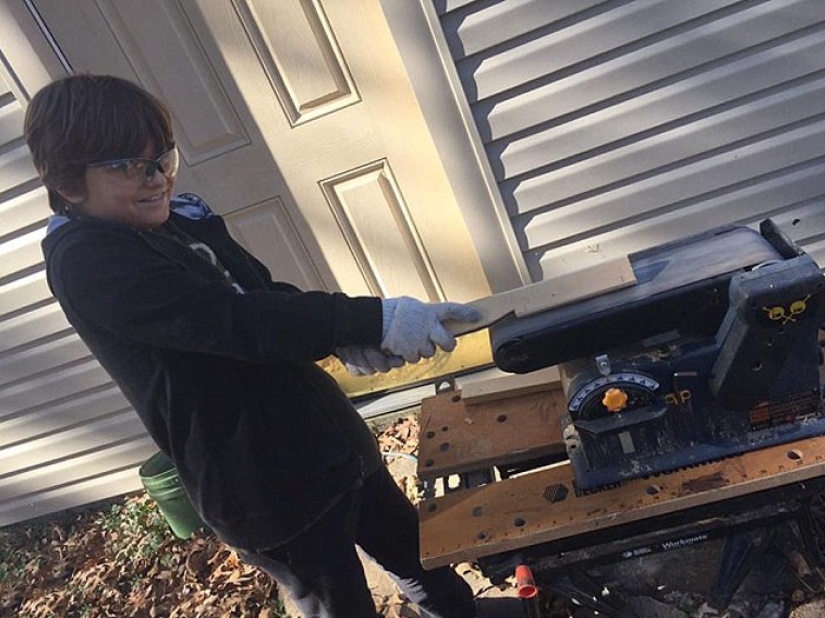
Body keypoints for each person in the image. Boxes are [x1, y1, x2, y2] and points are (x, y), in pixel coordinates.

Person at [25, 74, 483, 618]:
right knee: (343, 605)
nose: (156, 180)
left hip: (326, 440)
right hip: (266, 490)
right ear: (68, 183)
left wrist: (348, 336)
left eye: (162, 159)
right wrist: (373, 320)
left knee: (419, 557)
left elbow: (262, 297)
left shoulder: (160, 221)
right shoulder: (88, 262)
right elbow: (234, 321)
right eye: (128, 166)